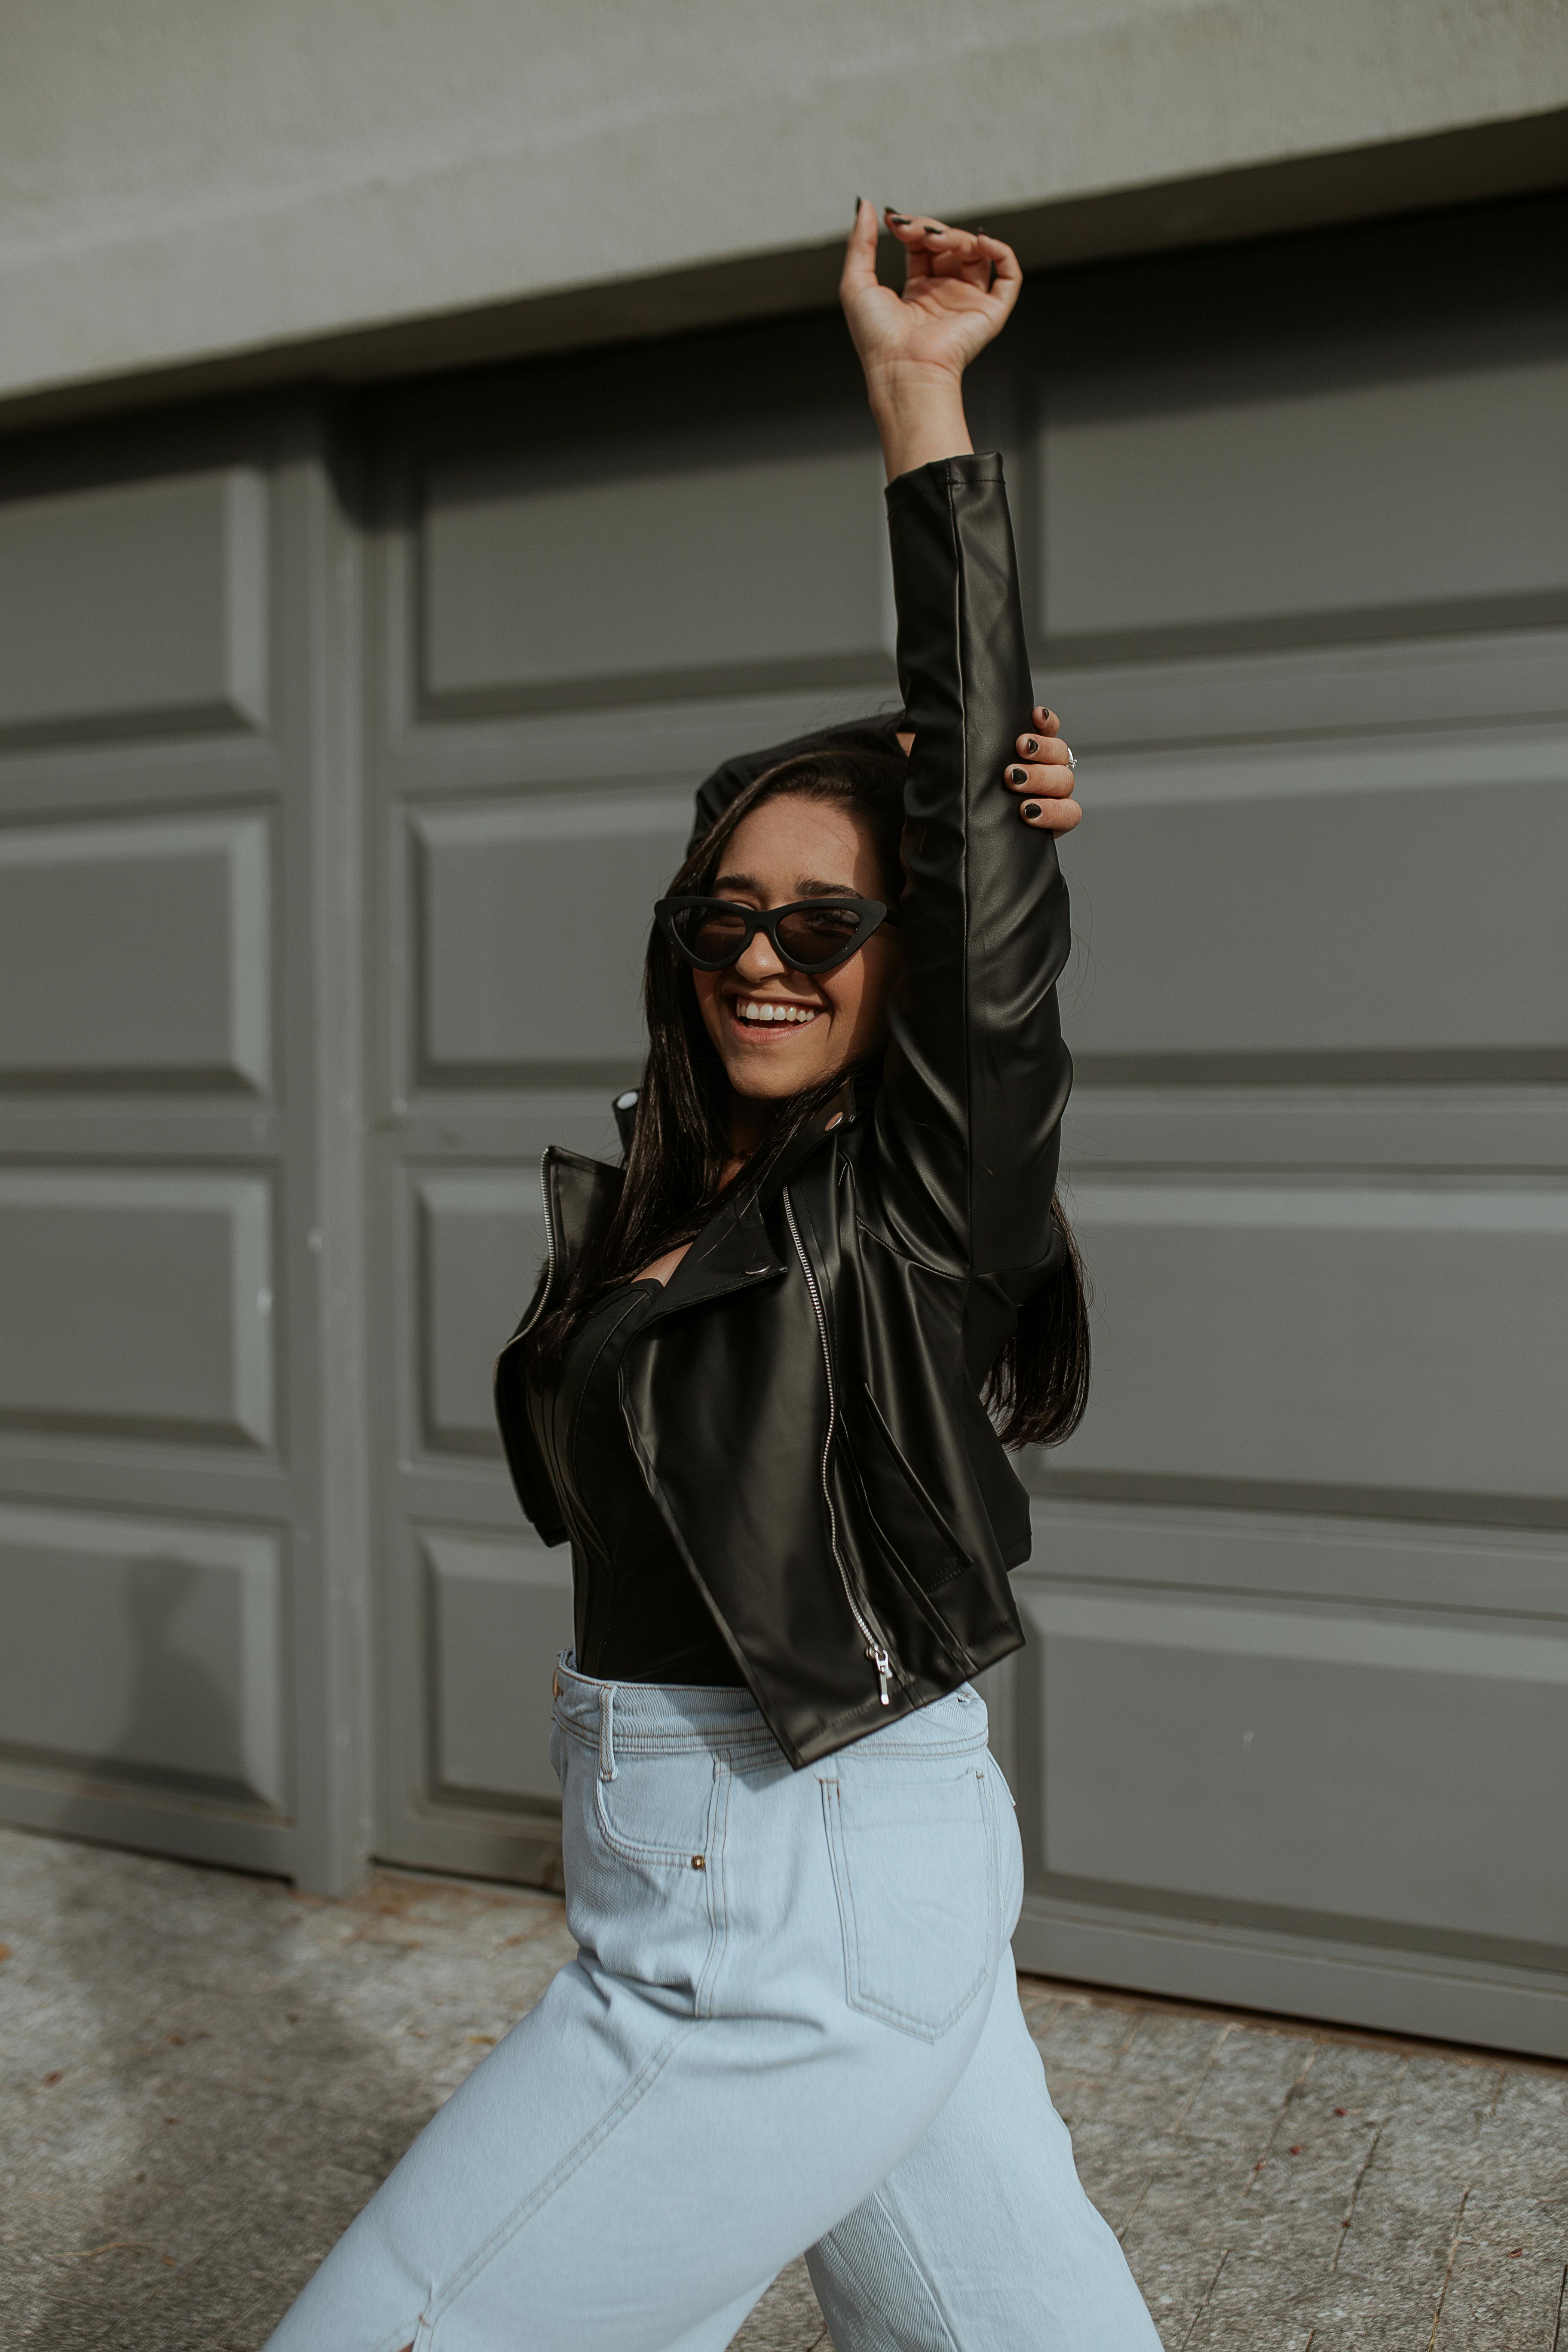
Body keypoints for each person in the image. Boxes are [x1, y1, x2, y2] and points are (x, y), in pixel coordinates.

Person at [264, 203, 1161, 2352]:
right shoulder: (686, 1185)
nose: (765, 951)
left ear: (911, 963)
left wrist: (916, 398)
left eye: (830, 924)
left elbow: (980, 913)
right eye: (725, 912)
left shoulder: (922, 1194)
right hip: (776, 1863)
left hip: (790, 1897)